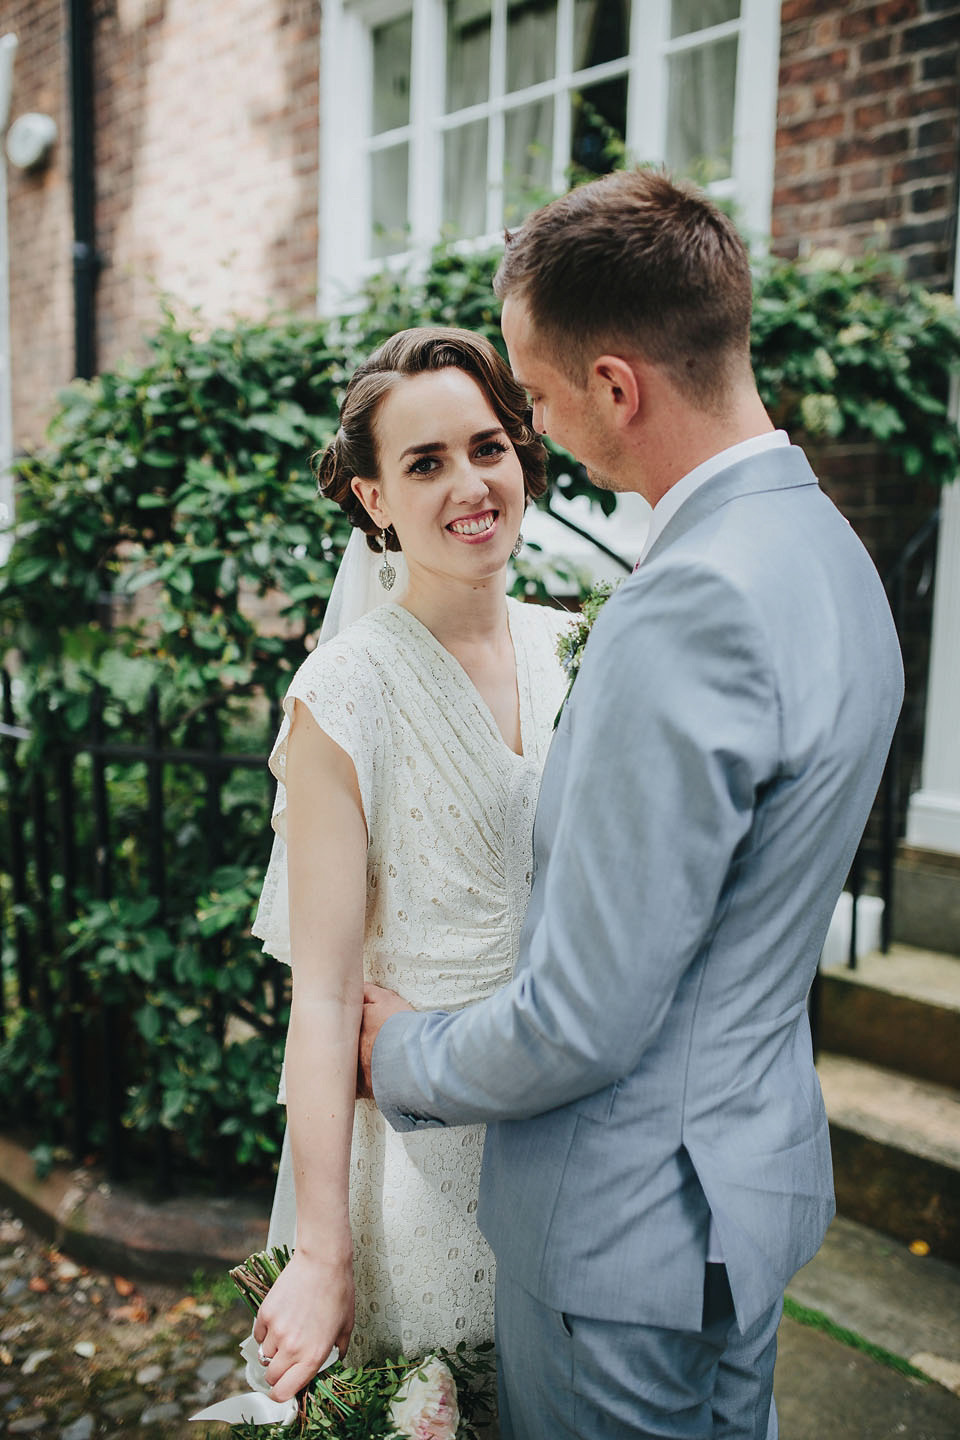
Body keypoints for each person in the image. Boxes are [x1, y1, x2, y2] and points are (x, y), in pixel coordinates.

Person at [361, 169, 905, 1439]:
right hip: (740, 1200)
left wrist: (397, 1054)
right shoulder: (833, 552)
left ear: (617, 385)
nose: (535, 428)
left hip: (622, 1235)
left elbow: (582, 1021)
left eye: (536, 396)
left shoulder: (689, 605)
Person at [247, 326, 569, 1407]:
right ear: (374, 498)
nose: (469, 484)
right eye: (424, 464)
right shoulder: (346, 696)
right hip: (435, 1173)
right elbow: (328, 994)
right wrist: (324, 1254)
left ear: (522, 452)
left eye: (488, 446)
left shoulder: (579, 646)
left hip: (581, 1142)